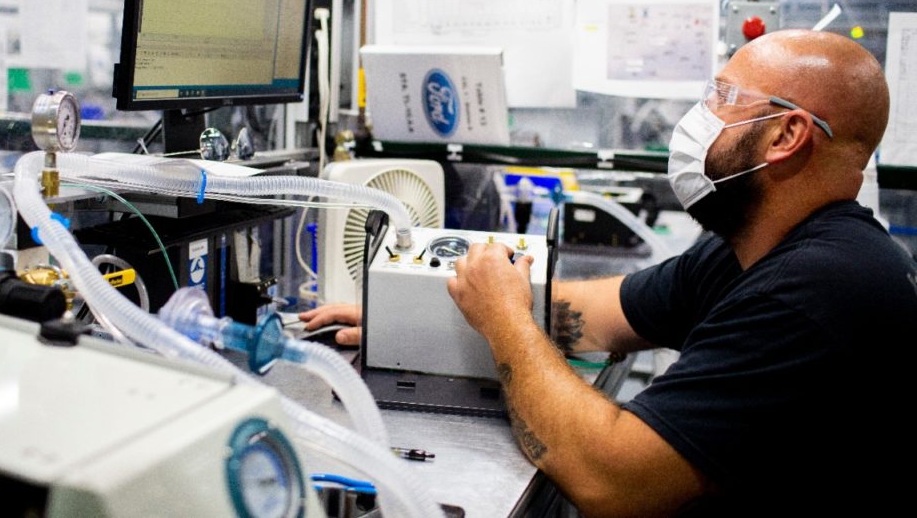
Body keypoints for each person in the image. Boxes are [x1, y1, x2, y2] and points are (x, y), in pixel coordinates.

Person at [302, 30, 917, 516]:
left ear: (787, 134)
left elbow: (614, 482)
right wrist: (416, 311)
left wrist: (506, 320)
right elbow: (599, 316)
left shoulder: (826, 286)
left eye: (722, 97)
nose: (699, 115)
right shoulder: (751, 246)